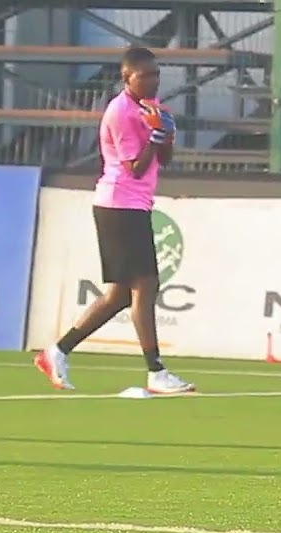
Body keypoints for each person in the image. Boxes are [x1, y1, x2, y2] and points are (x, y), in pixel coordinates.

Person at [34, 46, 193, 394]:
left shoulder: (153, 108)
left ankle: (57, 351)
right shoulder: (120, 112)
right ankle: (156, 371)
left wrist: (165, 133)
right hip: (119, 203)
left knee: (121, 294)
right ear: (127, 78)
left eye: (156, 75)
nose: (153, 81)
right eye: (145, 75)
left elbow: (163, 160)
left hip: (135, 205)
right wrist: (153, 136)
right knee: (146, 284)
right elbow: (134, 169)